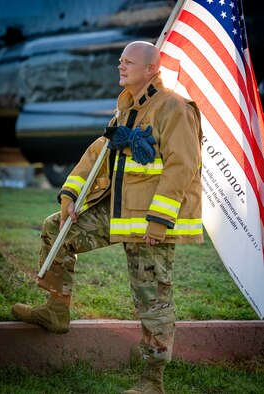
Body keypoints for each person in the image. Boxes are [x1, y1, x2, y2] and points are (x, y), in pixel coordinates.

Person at [12, 41, 203, 394]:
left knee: (153, 300)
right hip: (116, 213)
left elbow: (182, 166)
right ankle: (56, 310)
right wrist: (70, 195)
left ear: (151, 69)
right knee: (58, 228)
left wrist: (159, 220)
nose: (121, 65)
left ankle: (153, 381)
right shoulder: (125, 110)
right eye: (120, 60)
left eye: (129, 61)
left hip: (149, 223)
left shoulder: (174, 107)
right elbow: (95, 154)